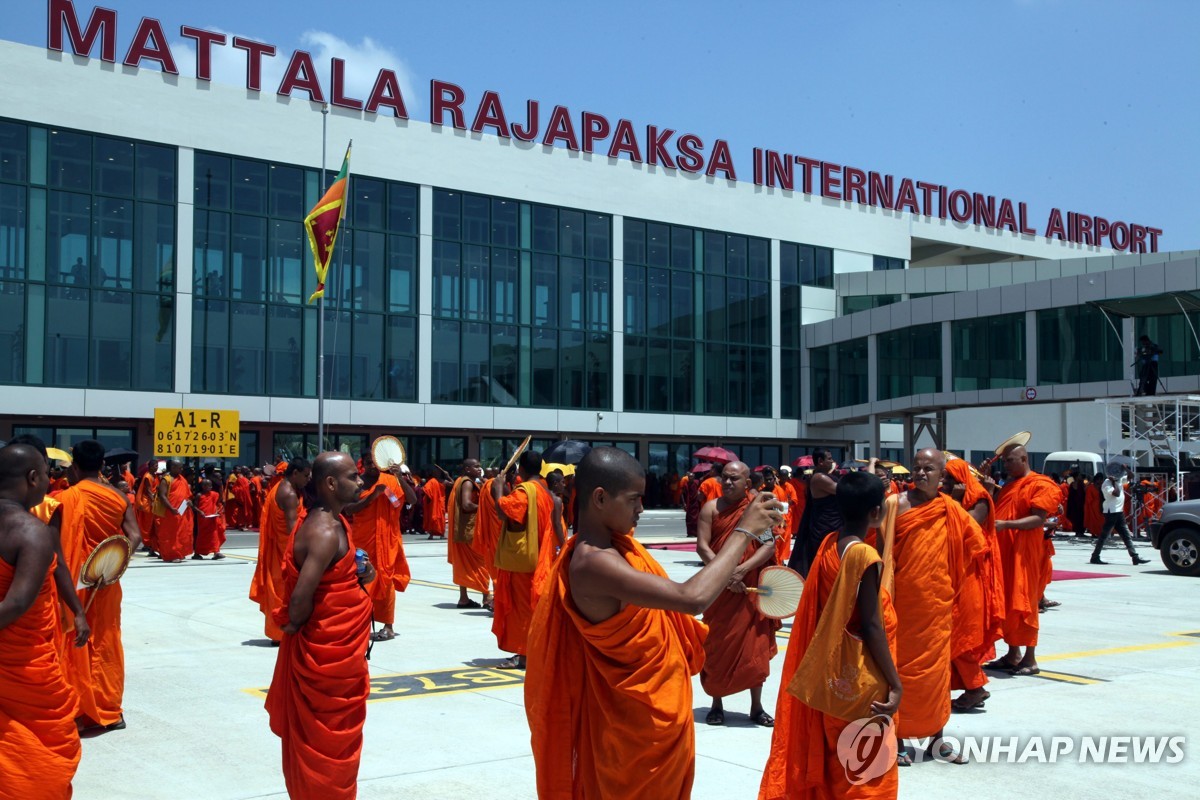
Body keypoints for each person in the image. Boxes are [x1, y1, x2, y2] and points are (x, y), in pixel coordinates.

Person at [526, 447, 783, 799]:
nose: (641, 509)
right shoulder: (592, 563)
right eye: (634, 499)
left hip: (653, 719)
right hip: (633, 735)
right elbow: (692, 598)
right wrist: (743, 533)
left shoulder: (621, 549)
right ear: (600, 498)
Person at [759, 470, 902, 800]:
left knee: (836, 761)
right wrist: (895, 682)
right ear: (876, 512)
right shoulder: (864, 556)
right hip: (861, 678)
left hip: (831, 675)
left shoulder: (829, 545)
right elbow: (871, 624)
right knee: (864, 769)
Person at [265, 452, 375, 800]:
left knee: (336, 744)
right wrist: (295, 628)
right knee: (322, 742)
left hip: (340, 655)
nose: (360, 482)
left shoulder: (335, 521)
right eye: (352, 477)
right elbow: (300, 598)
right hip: (324, 657)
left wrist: (364, 573)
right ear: (330, 484)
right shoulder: (325, 530)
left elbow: (336, 576)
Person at [868, 449, 985, 764]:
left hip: (938, 604)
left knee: (936, 676)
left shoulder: (949, 509)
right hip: (902, 603)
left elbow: (974, 541)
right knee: (901, 671)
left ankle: (938, 740)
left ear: (941, 475)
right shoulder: (895, 505)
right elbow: (880, 552)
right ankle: (900, 737)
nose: (921, 474)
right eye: (917, 469)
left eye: (928, 469)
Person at [0, 443, 83, 799]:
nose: (50, 481)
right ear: (33, 477)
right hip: (25, 665)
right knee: (39, 756)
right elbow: (17, 604)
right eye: (48, 475)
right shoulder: (30, 531)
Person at [56, 439, 143, 731]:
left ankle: (78, 713)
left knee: (74, 643)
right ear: (103, 465)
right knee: (106, 642)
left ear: (75, 467)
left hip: (73, 582)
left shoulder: (67, 497)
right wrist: (112, 566)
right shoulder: (117, 496)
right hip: (106, 581)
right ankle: (110, 711)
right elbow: (135, 537)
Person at [696, 461, 780, 727]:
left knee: (755, 648)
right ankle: (716, 703)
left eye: (735, 479)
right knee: (717, 644)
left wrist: (741, 570)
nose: (728, 482)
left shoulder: (755, 510)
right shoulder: (711, 508)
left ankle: (756, 707)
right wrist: (723, 573)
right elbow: (702, 547)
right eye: (725, 478)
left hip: (750, 588)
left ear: (747, 483)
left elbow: (768, 544)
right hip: (719, 590)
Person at [985, 444, 1060, 677]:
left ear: (1024, 459)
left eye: (1010, 461)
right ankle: (1012, 653)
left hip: (1025, 554)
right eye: (1004, 461)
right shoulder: (1009, 485)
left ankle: (1030, 658)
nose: (1005, 465)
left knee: (1025, 604)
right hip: (1005, 553)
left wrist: (1006, 525)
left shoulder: (1041, 484)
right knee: (1007, 603)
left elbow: (1038, 519)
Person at [943, 458, 1006, 712]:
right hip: (953, 573)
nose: (944, 482)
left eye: (948, 478)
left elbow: (965, 529)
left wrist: (956, 502)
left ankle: (975, 687)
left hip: (972, 575)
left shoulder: (978, 498)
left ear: (960, 479)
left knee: (960, 635)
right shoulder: (946, 496)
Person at [492, 450, 556, 670]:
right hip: (541, 555)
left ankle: (524, 654)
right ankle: (533, 651)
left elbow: (505, 513)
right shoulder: (545, 492)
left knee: (523, 608)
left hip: (524, 562)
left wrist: (498, 490)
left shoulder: (525, 491)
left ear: (521, 469)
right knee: (533, 606)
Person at [343, 459, 416, 642]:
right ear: (362, 464)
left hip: (388, 540)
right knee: (359, 582)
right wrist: (373, 496)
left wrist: (399, 477)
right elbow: (349, 510)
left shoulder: (390, 480)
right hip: (363, 540)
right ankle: (359, 624)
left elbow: (412, 500)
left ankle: (387, 626)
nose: (372, 466)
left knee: (386, 581)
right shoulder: (356, 482)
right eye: (368, 463)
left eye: (375, 462)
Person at [250, 459, 311, 644]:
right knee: (287, 591)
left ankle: (279, 633)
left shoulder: (279, 488)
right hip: (287, 550)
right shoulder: (289, 494)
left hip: (279, 548)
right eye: (306, 475)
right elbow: (293, 529)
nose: (308, 479)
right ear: (295, 473)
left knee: (279, 589)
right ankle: (283, 632)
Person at [447, 459, 492, 609]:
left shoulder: (460, 481)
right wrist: (484, 507)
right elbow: (466, 505)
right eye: (476, 466)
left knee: (463, 565)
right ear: (467, 469)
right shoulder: (467, 482)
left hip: (462, 530)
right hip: (469, 530)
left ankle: (463, 598)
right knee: (482, 563)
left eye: (480, 466)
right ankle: (486, 597)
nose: (480, 469)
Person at [789, 448, 842, 577]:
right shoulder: (819, 478)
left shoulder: (827, 476)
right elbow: (842, 490)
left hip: (834, 524)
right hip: (825, 527)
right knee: (825, 563)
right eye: (829, 459)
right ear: (820, 461)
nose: (832, 461)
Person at [1092, 469, 1151, 566]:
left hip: (1119, 512)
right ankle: (1095, 556)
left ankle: (1135, 557)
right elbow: (1117, 493)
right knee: (1104, 536)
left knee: (1126, 535)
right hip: (1111, 512)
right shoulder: (1106, 484)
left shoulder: (1118, 480)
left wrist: (1126, 468)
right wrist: (1114, 482)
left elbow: (1131, 476)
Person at [471, 466, 502, 608]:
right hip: (498, 532)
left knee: (495, 568)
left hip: (492, 531)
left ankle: (496, 600)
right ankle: (497, 601)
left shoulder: (485, 485)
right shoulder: (497, 486)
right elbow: (502, 509)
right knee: (500, 568)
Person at [155, 459, 194, 562]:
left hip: (182, 511)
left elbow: (187, 494)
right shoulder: (166, 479)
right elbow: (162, 496)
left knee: (182, 533)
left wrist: (189, 502)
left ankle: (179, 553)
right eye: (179, 467)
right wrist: (171, 508)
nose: (181, 469)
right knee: (170, 534)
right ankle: (171, 555)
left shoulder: (182, 479)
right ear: (172, 467)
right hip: (169, 511)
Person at [193, 478, 227, 560]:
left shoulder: (214, 494)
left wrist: (217, 512)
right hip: (203, 518)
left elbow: (218, 504)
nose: (208, 487)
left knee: (214, 535)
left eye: (209, 485)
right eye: (205, 485)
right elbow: (194, 506)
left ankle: (216, 552)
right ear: (202, 486)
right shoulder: (199, 495)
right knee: (202, 536)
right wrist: (200, 511)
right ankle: (197, 553)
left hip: (212, 518)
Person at [421, 468, 448, 539]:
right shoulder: (432, 481)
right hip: (433, 503)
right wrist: (429, 498)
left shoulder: (443, 481)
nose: (437, 473)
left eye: (438, 472)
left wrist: (447, 476)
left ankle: (442, 533)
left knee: (441, 518)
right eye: (435, 472)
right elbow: (425, 490)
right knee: (433, 518)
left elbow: (453, 484)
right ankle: (431, 534)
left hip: (440, 502)